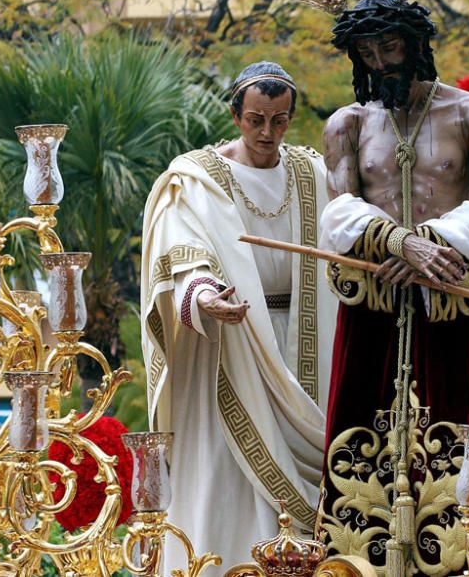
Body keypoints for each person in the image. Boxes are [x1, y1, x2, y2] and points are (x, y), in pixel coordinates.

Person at [280, 0, 469, 573]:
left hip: (452, 298)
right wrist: (399, 240)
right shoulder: (347, 123)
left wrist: (436, 243)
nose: (380, 62)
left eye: (390, 47)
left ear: (416, 43)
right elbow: (338, 210)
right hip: (375, 296)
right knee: (361, 443)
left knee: (464, 439)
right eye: (367, 52)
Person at [139, 62, 337, 568]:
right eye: (256, 120)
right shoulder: (196, 177)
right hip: (231, 339)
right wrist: (203, 297)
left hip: (306, 340)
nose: (267, 133)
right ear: (235, 115)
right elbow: (181, 246)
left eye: (279, 120)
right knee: (226, 475)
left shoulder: (313, 172)